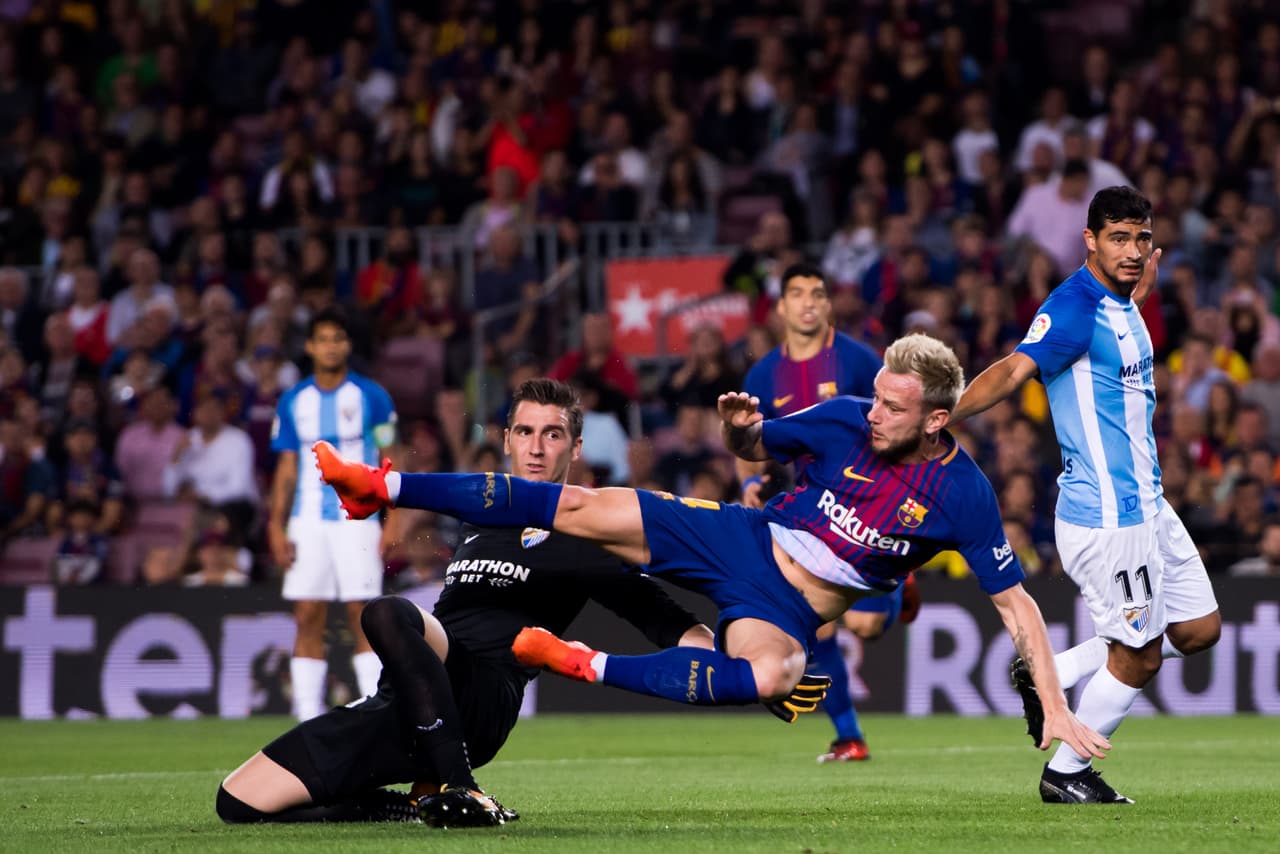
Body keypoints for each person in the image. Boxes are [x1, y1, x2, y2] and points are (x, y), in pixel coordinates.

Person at [315, 335, 1109, 768]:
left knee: (773, 677)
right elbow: (756, 447)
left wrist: (1055, 701)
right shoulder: (845, 417)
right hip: (740, 536)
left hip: (784, 607)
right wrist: (737, 429)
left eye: (894, 409)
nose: (874, 415)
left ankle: (578, 662)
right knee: (581, 505)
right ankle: (381, 486)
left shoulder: (963, 494)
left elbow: (1018, 607)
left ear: (937, 420)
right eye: (877, 397)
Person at [218, 378, 715, 827]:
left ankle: (462, 785)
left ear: (576, 447)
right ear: (506, 440)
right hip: (409, 699)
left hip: (481, 698)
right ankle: (402, 807)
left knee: (386, 612)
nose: (536, 448)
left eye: (553, 434)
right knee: (238, 801)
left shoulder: (588, 536)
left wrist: (741, 671)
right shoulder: (481, 513)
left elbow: (672, 624)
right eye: (525, 432)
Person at [953, 186, 1221, 804]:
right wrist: (941, 416)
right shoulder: (1073, 309)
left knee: (1198, 629)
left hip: (1149, 504)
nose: (1133, 251)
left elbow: (1116, 326)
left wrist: (1140, 289)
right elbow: (1014, 369)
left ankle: (1052, 670)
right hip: (1107, 515)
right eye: (1118, 239)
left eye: (1142, 238)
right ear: (1090, 241)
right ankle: (1066, 772)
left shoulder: (1123, 298)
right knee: (1139, 657)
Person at [740, 261, 912, 763]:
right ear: (781, 307)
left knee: (866, 627)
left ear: (829, 304)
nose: (809, 303)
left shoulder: (858, 361)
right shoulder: (763, 374)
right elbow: (746, 438)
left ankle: (902, 583)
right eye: (798, 293)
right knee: (816, 623)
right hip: (812, 509)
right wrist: (750, 481)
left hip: (872, 507)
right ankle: (849, 736)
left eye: (817, 293)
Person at [267, 306, 397, 722]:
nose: (330, 346)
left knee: (363, 613)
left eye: (337, 338)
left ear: (348, 344)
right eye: (322, 339)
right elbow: (287, 468)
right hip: (306, 520)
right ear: (309, 346)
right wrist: (275, 525)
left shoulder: (372, 397)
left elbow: (390, 458)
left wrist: (392, 520)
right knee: (308, 614)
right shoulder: (293, 400)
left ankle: (375, 710)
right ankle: (306, 716)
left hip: (358, 519)